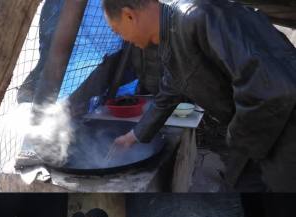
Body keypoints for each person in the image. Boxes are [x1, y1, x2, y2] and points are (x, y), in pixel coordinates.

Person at [105, 0, 296, 191]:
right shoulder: (172, 35)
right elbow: (169, 91)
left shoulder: (198, 16)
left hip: (284, 130)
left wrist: (236, 139)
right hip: (260, 133)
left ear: (129, 15)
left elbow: (271, 89)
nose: (122, 38)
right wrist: (133, 136)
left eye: (116, 30)